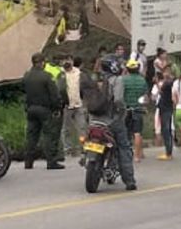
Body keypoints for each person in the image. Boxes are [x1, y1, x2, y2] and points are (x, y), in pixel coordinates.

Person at [95, 56, 137, 189]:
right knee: (123, 147)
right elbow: (118, 99)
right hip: (112, 120)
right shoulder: (117, 80)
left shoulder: (96, 80)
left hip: (94, 120)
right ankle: (129, 181)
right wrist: (123, 110)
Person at [23, 52, 64, 170]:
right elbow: (54, 94)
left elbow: (24, 92)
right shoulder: (46, 76)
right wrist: (57, 107)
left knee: (31, 136)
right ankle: (51, 161)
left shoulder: (26, 76)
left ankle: (28, 161)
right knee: (49, 135)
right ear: (42, 62)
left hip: (31, 109)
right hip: (45, 109)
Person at [122, 59, 148, 162]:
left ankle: (126, 154)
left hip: (126, 109)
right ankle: (137, 156)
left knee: (125, 132)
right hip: (138, 109)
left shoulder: (123, 80)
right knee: (137, 133)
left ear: (127, 69)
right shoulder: (142, 80)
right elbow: (145, 97)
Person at [61, 56, 86, 159]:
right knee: (66, 129)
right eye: (64, 60)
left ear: (72, 61)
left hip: (78, 104)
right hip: (66, 105)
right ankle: (68, 149)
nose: (67, 62)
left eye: (68, 60)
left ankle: (83, 148)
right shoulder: (60, 74)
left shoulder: (78, 73)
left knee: (82, 127)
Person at [153, 68, 176, 159]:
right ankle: (169, 151)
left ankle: (168, 152)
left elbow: (161, 91)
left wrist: (156, 83)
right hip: (167, 107)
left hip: (165, 108)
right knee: (167, 129)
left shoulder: (168, 83)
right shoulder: (171, 83)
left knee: (166, 130)